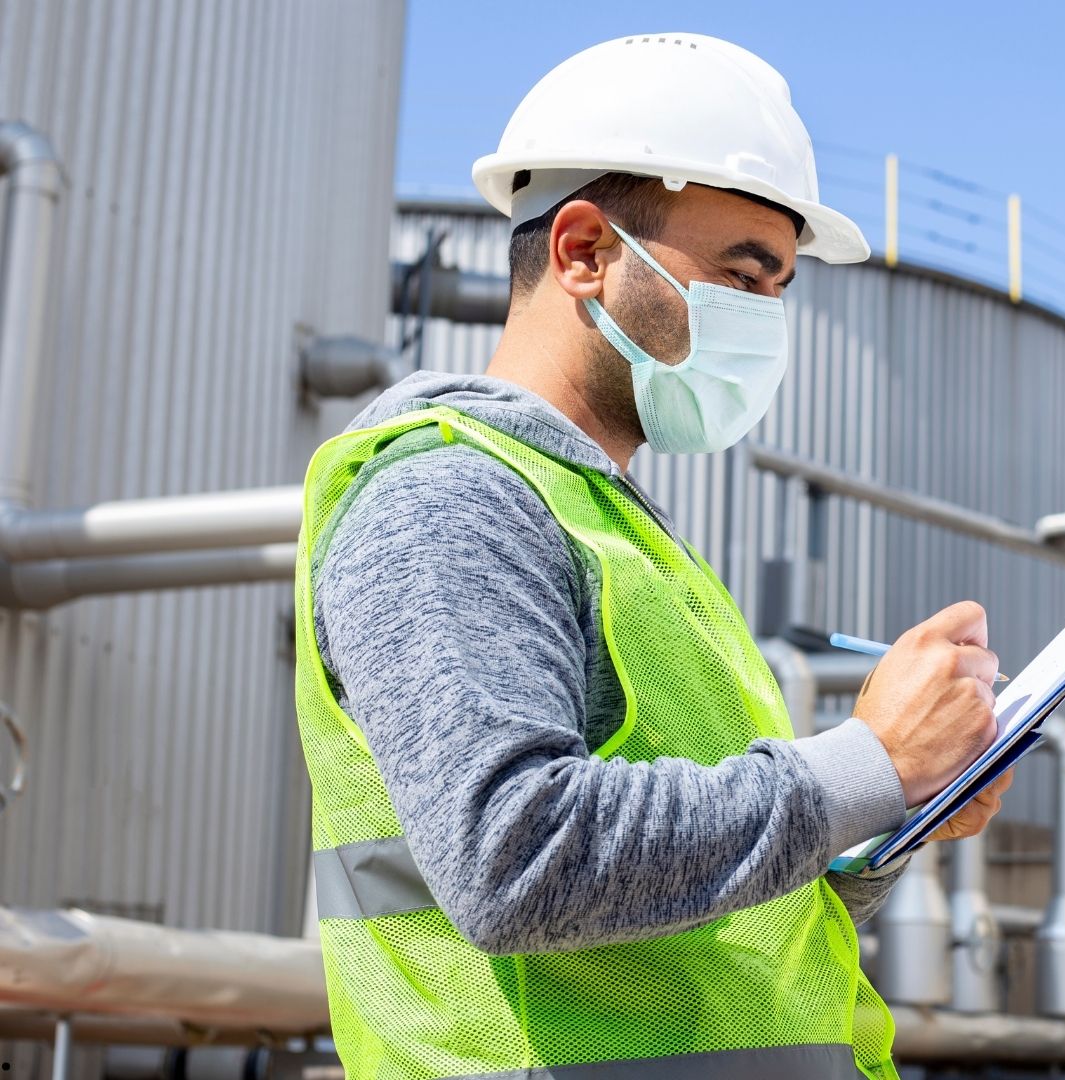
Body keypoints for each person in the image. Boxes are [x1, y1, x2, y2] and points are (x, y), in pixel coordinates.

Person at [293, 34, 1010, 1080]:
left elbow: (693, 928)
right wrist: (864, 762)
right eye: (741, 275)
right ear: (584, 250)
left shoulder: (617, 530)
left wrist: (891, 807)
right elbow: (515, 858)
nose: (765, 323)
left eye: (778, 290)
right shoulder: (448, 498)